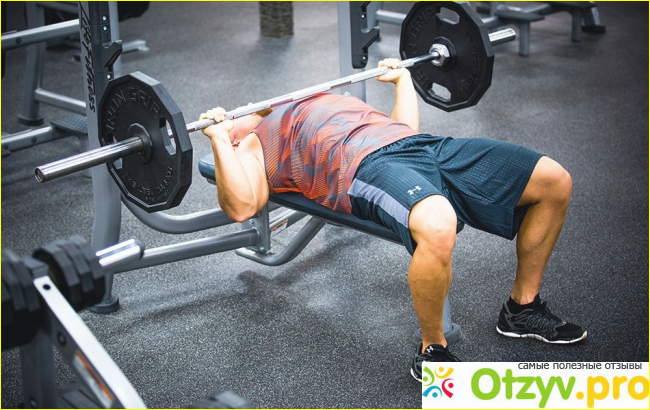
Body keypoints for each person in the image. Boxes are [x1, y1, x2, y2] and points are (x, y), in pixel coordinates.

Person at [200, 58, 587, 382]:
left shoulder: (319, 97)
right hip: (363, 167)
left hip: (422, 146)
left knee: (553, 180)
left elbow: (404, 129)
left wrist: (403, 82)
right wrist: (219, 139)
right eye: (236, 114)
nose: (245, 107)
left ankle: (521, 309)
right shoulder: (253, 142)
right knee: (438, 223)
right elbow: (242, 206)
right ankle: (433, 349)